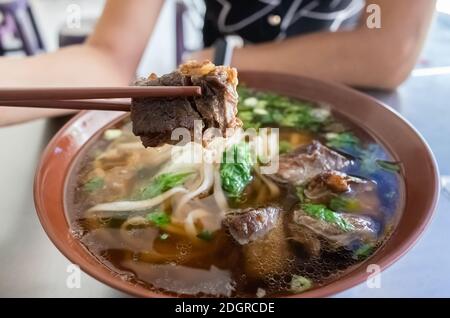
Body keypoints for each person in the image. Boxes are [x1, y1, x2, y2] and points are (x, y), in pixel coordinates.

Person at [0, 0, 436, 126]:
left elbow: (389, 50)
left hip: (341, 93)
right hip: (206, 98)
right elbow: (106, 58)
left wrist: (217, 63)